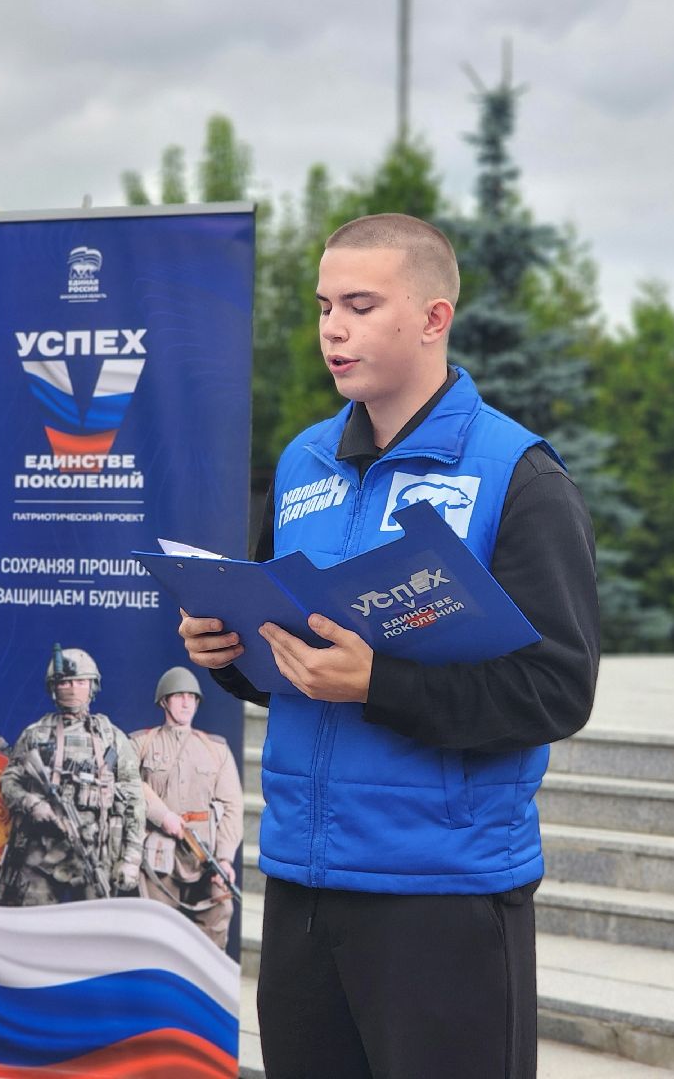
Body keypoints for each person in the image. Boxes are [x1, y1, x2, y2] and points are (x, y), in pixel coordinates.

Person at [178, 214, 599, 1079]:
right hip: (302, 881)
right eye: (325, 304)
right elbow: (293, 665)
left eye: (361, 305)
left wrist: (380, 683)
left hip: (442, 893)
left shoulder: (518, 475)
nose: (334, 328)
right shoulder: (303, 464)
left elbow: (556, 692)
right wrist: (232, 649)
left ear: (434, 318)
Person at [0, 646, 144, 905]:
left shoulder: (112, 739)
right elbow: (8, 781)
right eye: (66, 682)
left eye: (81, 682)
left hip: (94, 855)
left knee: (92, 936)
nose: (73, 688)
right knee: (35, 931)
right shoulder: (36, 735)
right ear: (54, 687)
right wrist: (32, 803)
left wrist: (131, 860)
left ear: (92, 686)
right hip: (40, 856)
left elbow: (135, 800)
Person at [131, 667, 242, 949]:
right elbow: (127, 782)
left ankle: (203, 983)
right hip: (157, 853)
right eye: (178, 696)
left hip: (204, 853)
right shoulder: (142, 743)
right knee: (157, 925)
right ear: (164, 702)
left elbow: (232, 807)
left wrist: (225, 858)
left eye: (191, 697)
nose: (185, 703)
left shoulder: (216, 749)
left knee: (221, 911)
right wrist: (162, 815)